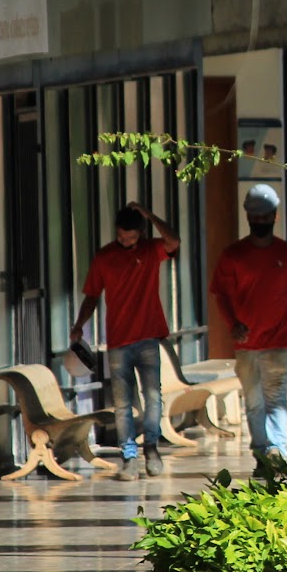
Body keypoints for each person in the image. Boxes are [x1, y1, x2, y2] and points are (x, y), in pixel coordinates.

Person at [75, 203, 181, 480]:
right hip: (118, 342)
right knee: (122, 404)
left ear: (141, 233)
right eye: (121, 236)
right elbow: (92, 295)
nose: (126, 241)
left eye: (131, 236)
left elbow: (174, 240)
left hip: (147, 338)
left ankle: (152, 448)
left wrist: (150, 214)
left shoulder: (151, 250)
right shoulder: (105, 257)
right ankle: (128, 456)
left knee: (153, 396)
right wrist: (79, 325)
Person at [211, 184, 287, 470]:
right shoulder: (233, 256)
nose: (260, 222)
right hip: (247, 345)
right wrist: (233, 324)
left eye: (264, 216)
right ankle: (261, 454)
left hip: (280, 342)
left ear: (275, 216)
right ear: (247, 216)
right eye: (255, 217)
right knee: (254, 403)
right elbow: (220, 293)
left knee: (275, 399)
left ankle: (276, 452)